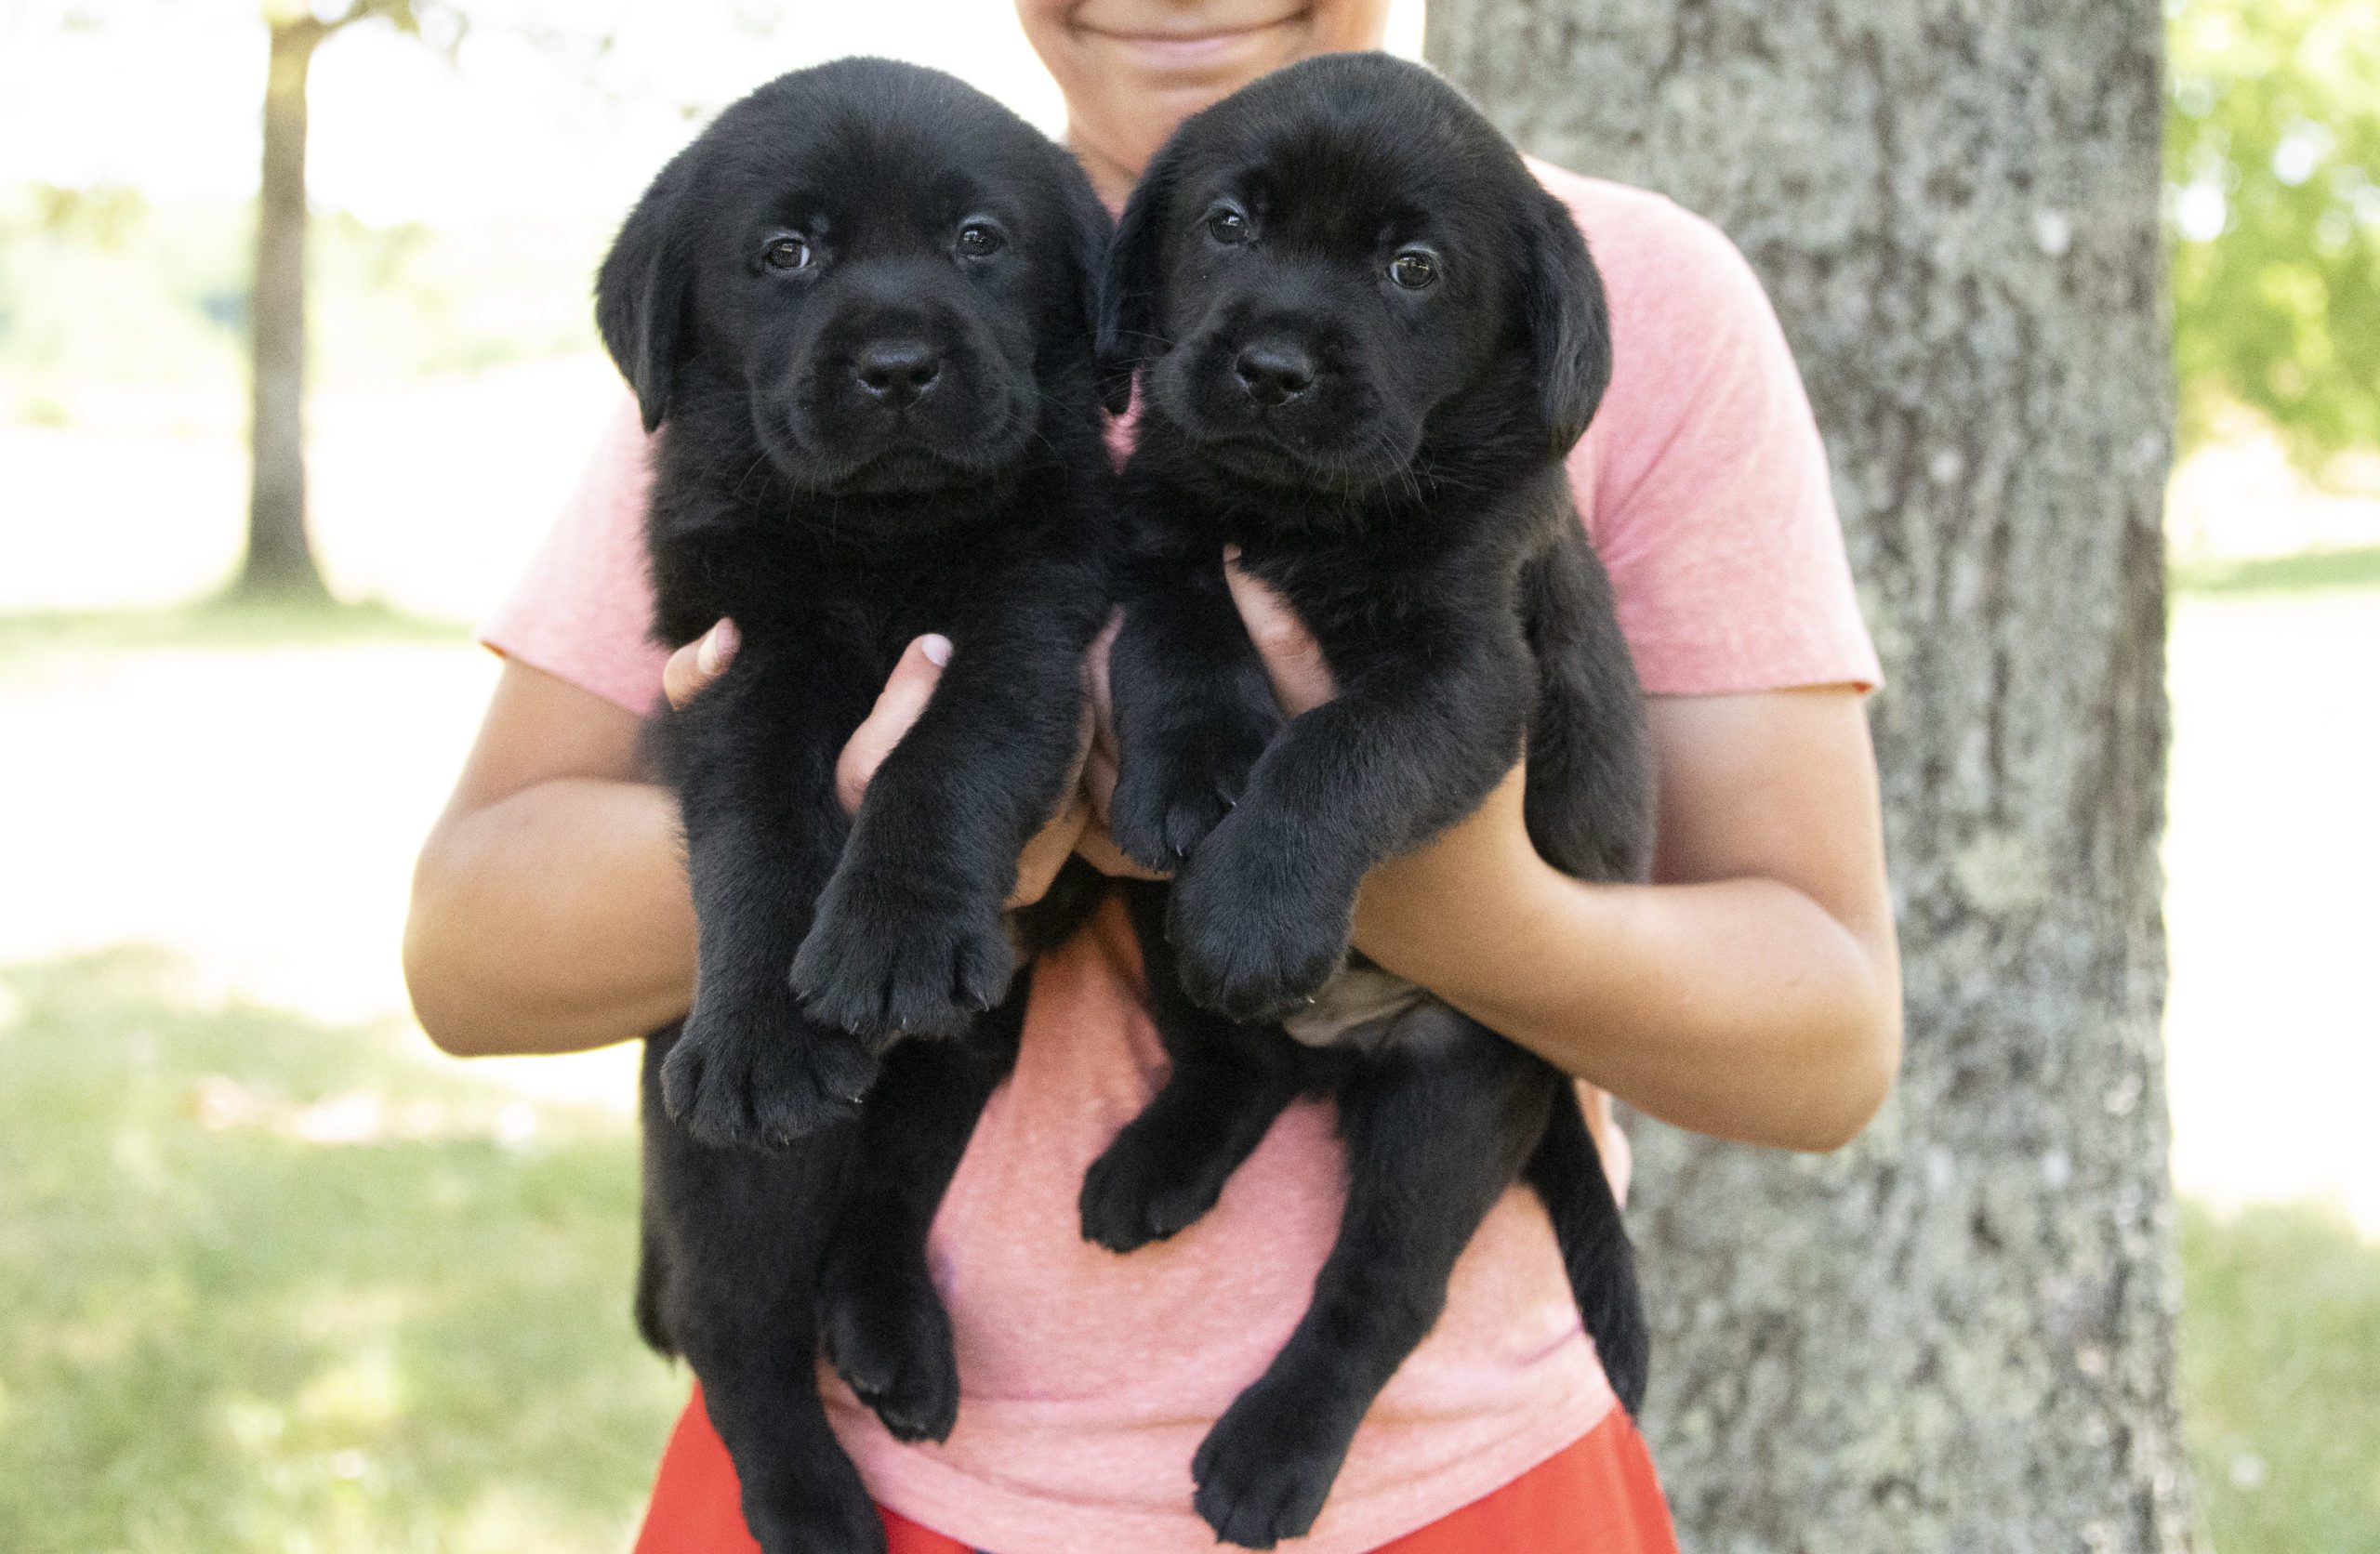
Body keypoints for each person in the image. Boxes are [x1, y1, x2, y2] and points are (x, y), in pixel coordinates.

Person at [403, 3, 1903, 1550]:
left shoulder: (1620, 288)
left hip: (1451, 1482)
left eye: (1401, 272)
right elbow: (467, 960)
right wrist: (896, 833)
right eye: (1236, 235)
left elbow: (1825, 1043)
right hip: (861, 1482)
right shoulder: (785, 279)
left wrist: (1464, 907)